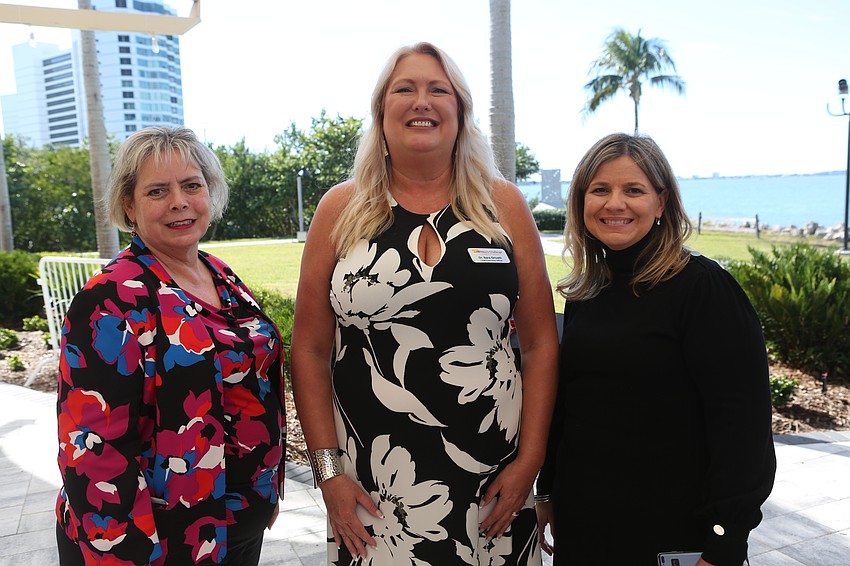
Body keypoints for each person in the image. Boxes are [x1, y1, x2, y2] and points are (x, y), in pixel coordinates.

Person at [290, 42, 559, 565]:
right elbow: (310, 349)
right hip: (373, 484)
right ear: (381, 111)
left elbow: (541, 343)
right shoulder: (341, 209)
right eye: (405, 89)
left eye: (439, 90)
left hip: (493, 477)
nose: (422, 101)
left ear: (460, 112)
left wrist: (531, 460)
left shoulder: (501, 204)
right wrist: (328, 475)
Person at [535, 133, 776, 565]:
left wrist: (724, 540)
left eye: (634, 190)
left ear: (661, 202)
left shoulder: (703, 289)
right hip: (585, 523)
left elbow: (743, 425)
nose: (615, 204)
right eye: (600, 190)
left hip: (672, 528)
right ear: (581, 202)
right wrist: (548, 489)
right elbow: (570, 404)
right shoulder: (587, 291)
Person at [55, 126, 287, 565]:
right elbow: (91, 447)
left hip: (231, 527)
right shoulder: (111, 298)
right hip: (157, 543)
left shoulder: (218, 273)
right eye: (158, 191)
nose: (179, 201)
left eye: (192, 185)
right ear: (130, 205)